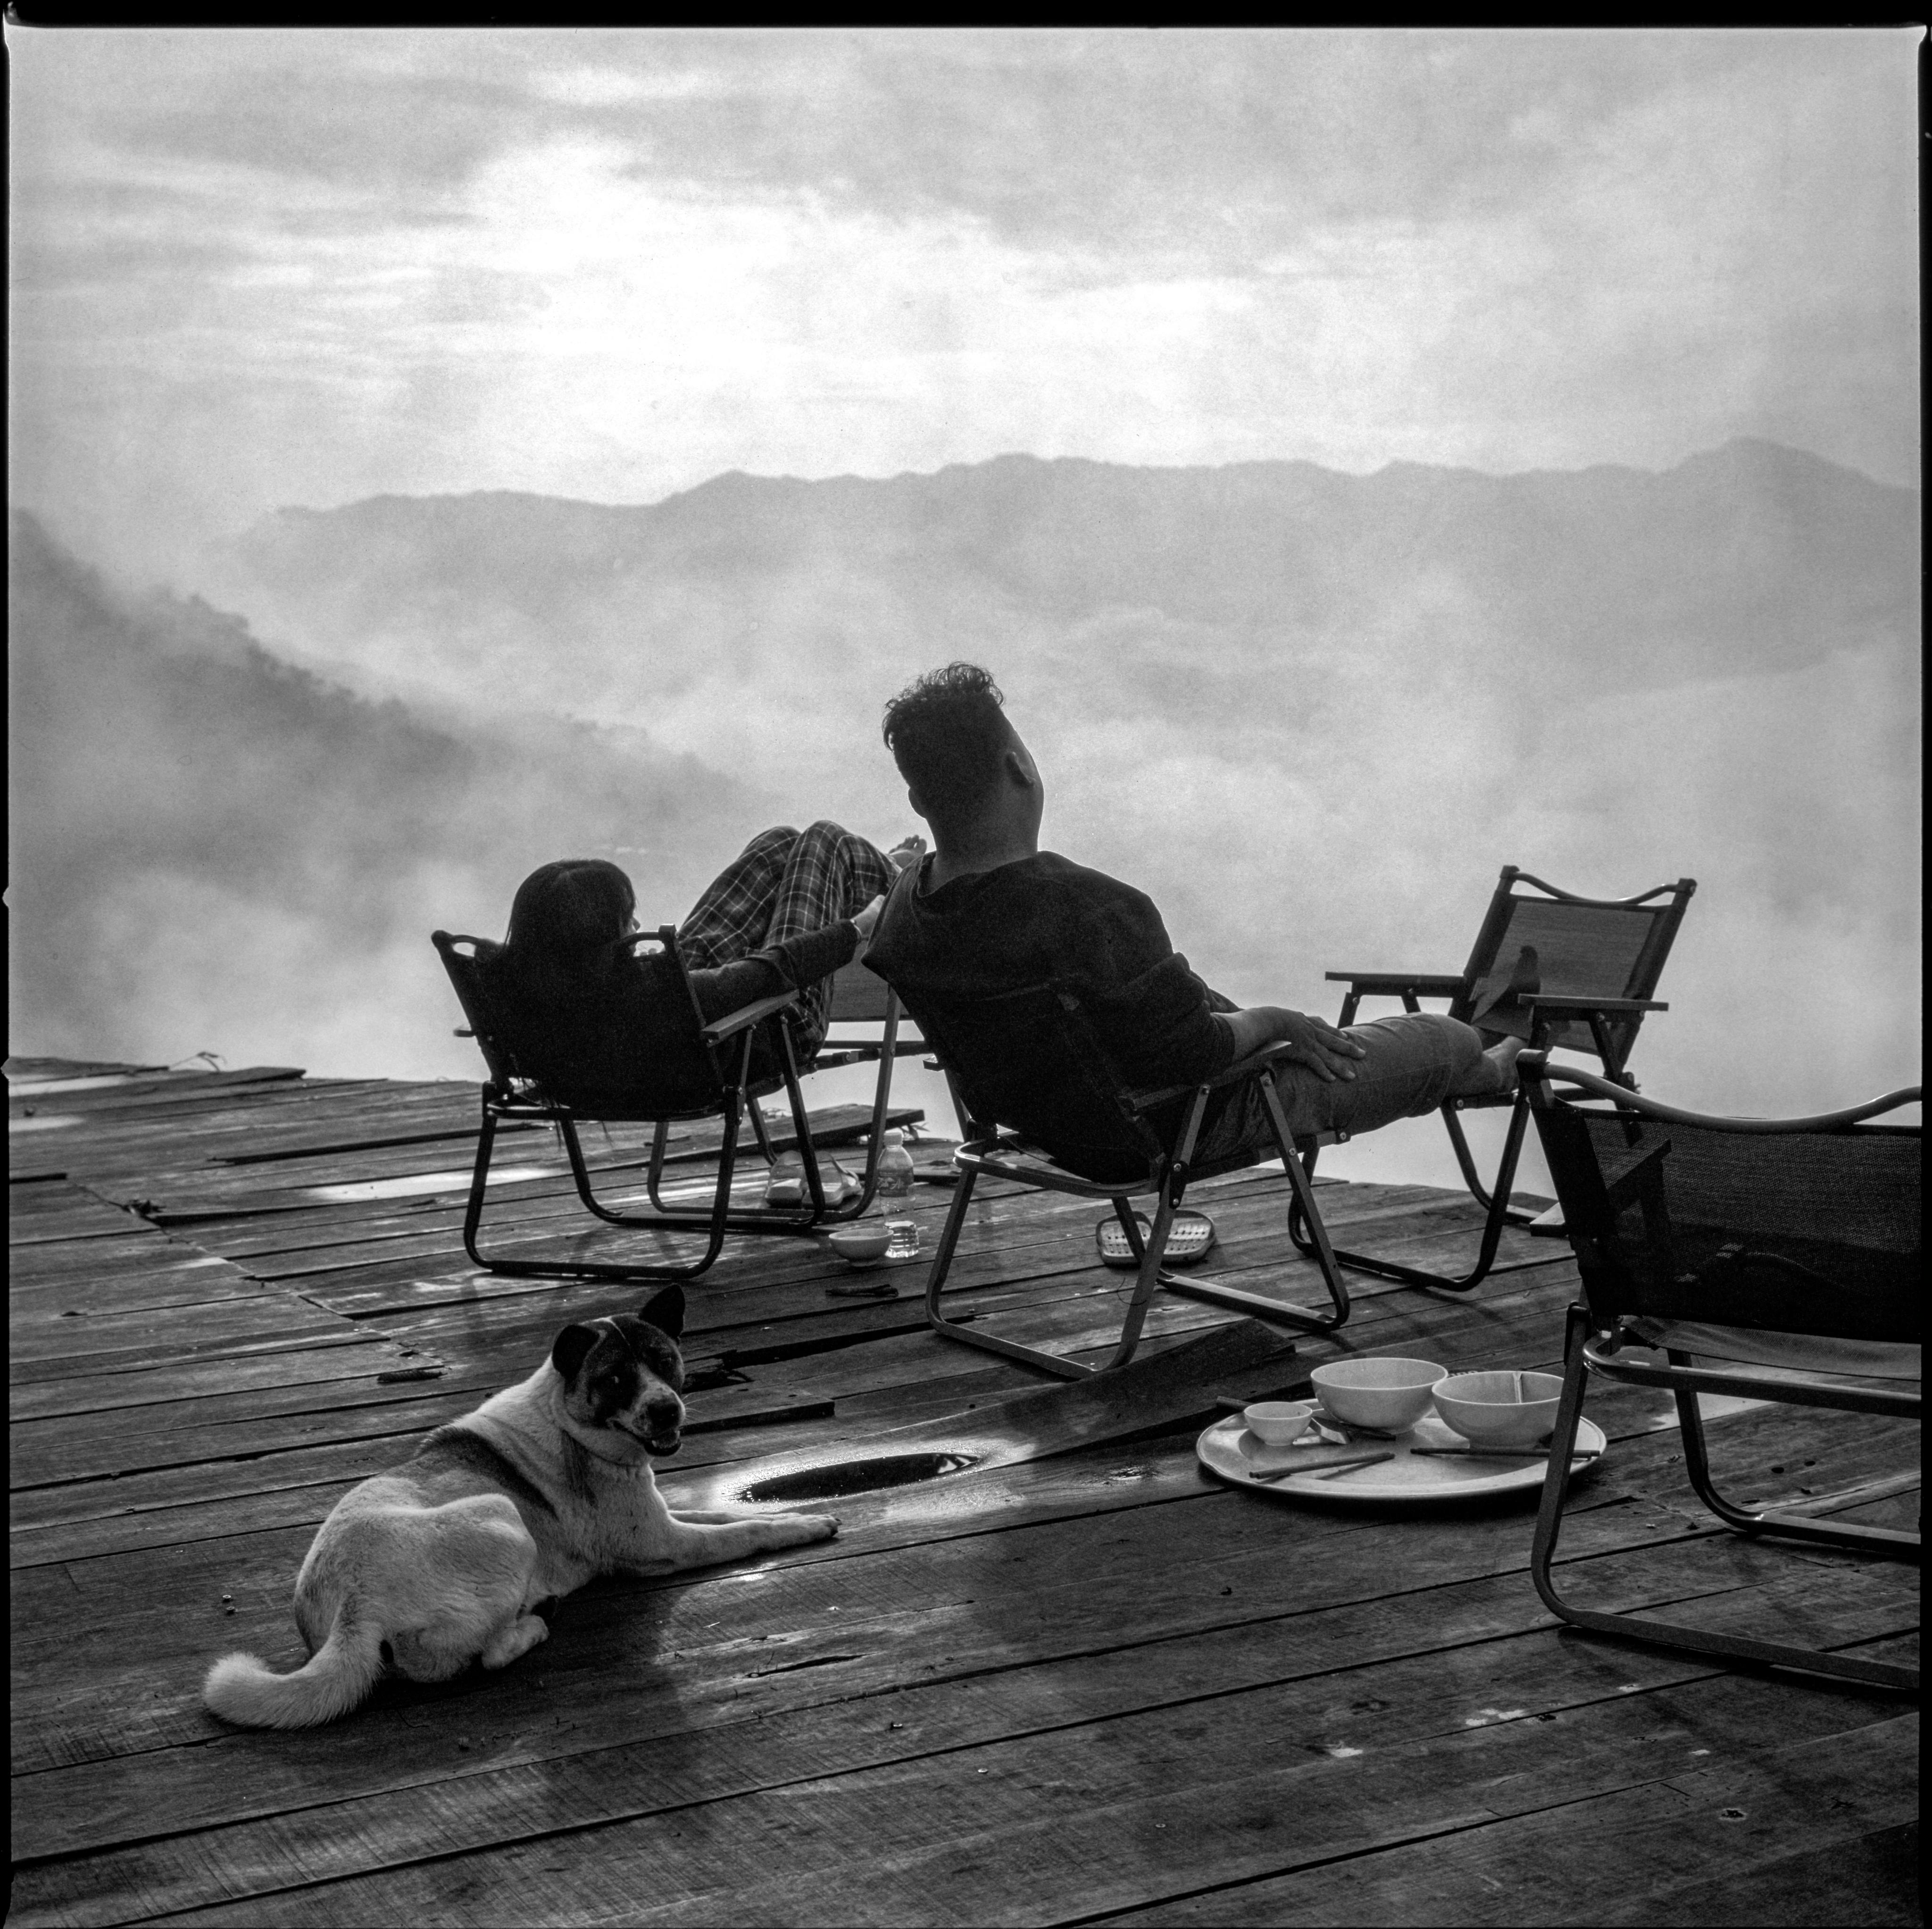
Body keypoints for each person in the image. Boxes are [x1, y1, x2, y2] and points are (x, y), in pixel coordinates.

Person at [862, 663, 1522, 1182]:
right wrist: (1274, 1022)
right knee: (1437, 1039)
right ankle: (1489, 1066)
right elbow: (1196, 1053)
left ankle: (1474, 1055)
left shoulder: (902, 915)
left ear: (920, 799)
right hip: (1182, 1122)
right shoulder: (1091, 907)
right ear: (1021, 768)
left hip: (1050, 1129)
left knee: (1317, 1032)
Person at [480, 822, 918, 1113]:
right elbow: (776, 971)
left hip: (659, 1037)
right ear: (597, 937)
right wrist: (856, 928)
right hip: (769, 1026)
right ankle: (897, 877)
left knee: (779, 845)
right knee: (827, 840)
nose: (636, 926)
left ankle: (876, 868)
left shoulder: (528, 992)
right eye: (626, 920)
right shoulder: (643, 990)